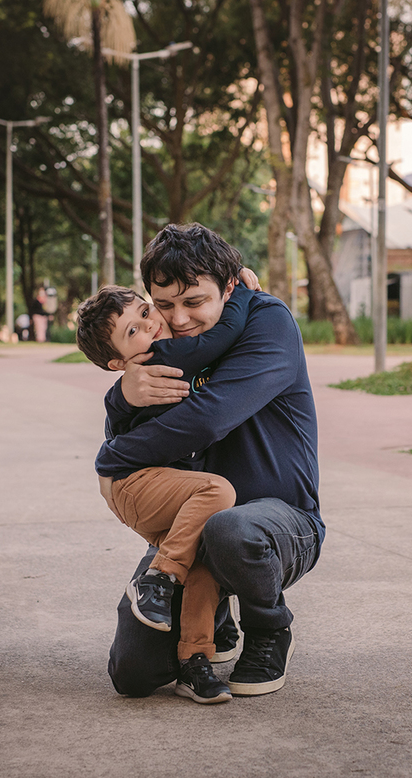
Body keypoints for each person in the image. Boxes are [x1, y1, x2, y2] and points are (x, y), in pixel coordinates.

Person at [96, 222, 324, 698]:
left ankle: (269, 627)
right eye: (164, 304)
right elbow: (142, 427)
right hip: (196, 522)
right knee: (134, 672)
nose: (177, 319)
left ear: (229, 287)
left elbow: (206, 420)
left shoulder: (267, 320)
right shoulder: (162, 344)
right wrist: (122, 398)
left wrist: (110, 457)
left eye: (194, 302)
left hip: (278, 520)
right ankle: (214, 618)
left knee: (231, 529)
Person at [76, 280, 255, 704]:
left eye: (143, 311)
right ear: (118, 361)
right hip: (137, 484)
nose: (149, 324)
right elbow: (224, 336)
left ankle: (196, 661)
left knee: (203, 564)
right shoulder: (163, 356)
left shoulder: (161, 346)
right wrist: (241, 290)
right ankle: (159, 579)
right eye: (132, 331)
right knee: (218, 491)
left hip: (168, 489)